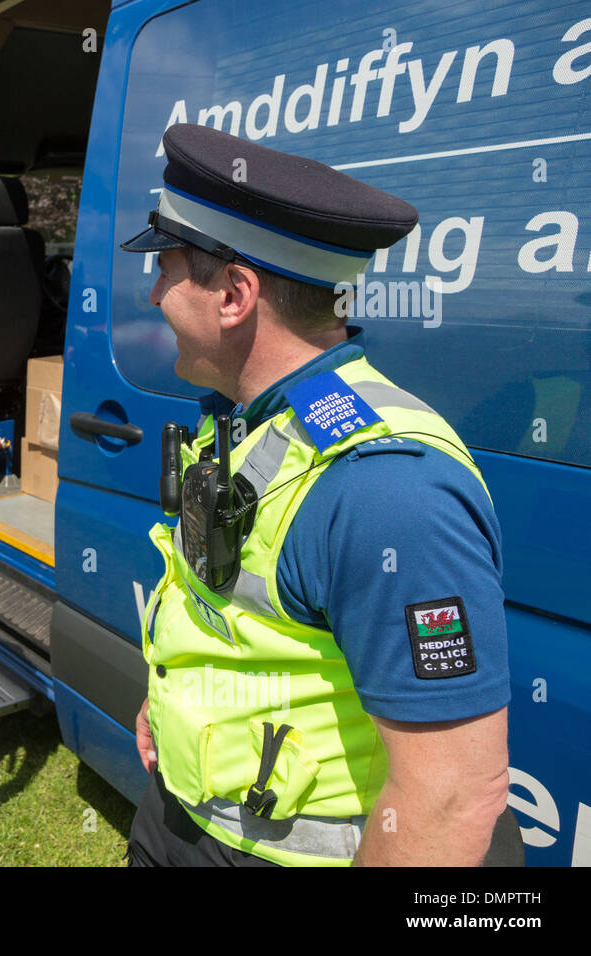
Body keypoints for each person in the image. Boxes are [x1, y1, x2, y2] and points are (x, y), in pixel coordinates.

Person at [122, 124, 518, 867]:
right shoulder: (248, 415)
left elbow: (452, 800)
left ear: (235, 296)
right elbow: (228, 604)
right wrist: (175, 703)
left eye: (166, 268)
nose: (152, 293)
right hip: (181, 816)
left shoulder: (387, 490)